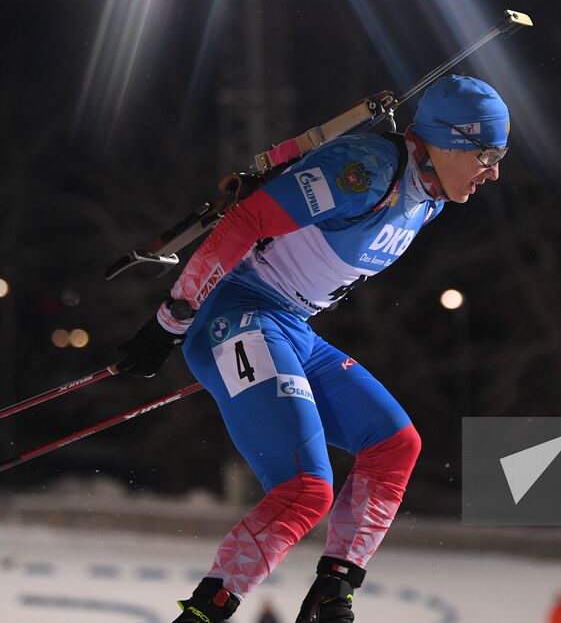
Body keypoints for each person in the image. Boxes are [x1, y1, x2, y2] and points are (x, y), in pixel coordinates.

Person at [114, 75, 511, 623]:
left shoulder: (431, 196)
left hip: (290, 326)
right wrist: (171, 318)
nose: (494, 171)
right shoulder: (366, 172)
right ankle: (206, 613)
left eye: (501, 155)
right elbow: (246, 220)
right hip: (235, 312)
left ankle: (331, 596)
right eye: (487, 154)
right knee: (306, 490)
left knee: (395, 444)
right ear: (445, 141)